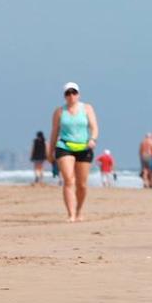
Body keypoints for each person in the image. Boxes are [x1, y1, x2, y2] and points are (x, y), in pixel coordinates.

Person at [48, 82, 98, 222]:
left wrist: (93, 139)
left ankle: (79, 210)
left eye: (74, 92)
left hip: (84, 147)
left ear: (78, 94)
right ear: (64, 96)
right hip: (64, 146)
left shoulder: (87, 108)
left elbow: (94, 127)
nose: (71, 96)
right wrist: (50, 150)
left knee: (82, 184)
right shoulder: (59, 111)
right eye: (68, 93)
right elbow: (54, 131)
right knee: (69, 180)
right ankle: (70, 214)